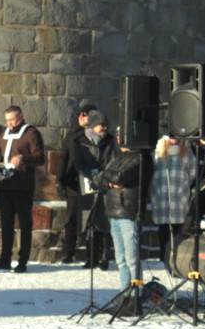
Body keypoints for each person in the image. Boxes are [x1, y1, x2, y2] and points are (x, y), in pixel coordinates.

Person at [0, 105, 45, 272]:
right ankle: (4, 259)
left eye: (12, 120)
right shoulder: (5, 132)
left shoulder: (31, 133)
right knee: (6, 224)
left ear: (21, 117)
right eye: (7, 121)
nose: (10, 123)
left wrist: (23, 158)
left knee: (25, 224)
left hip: (23, 186)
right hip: (5, 185)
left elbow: (40, 157)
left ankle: (22, 261)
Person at [96, 146, 153, 313]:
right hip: (114, 211)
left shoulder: (140, 157)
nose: (120, 139)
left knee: (131, 259)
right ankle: (124, 296)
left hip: (129, 212)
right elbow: (100, 179)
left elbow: (119, 177)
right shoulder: (120, 157)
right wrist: (111, 180)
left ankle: (135, 299)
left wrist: (111, 177)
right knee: (120, 259)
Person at [72, 110, 118, 270]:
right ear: (93, 125)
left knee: (105, 222)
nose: (104, 128)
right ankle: (91, 257)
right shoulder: (80, 141)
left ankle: (105, 256)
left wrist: (104, 176)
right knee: (90, 222)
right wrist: (90, 175)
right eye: (101, 125)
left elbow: (114, 160)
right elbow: (78, 163)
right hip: (88, 185)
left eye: (106, 125)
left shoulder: (111, 141)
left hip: (106, 185)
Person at [55, 102, 97, 264]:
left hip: (91, 182)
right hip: (73, 182)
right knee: (71, 219)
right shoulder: (72, 135)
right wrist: (59, 180)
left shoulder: (98, 134)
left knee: (91, 220)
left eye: (84, 114)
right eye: (80, 114)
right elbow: (63, 158)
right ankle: (68, 252)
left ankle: (92, 255)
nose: (80, 117)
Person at [149, 136, 197, 262]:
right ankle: (163, 257)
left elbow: (192, 172)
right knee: (163, 230)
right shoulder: (157, 152)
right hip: (161, 197)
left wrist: (183, 186)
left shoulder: (187, 153)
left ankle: (176, 258)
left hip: (178, 198)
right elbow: (151, 172)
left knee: (177, 229)